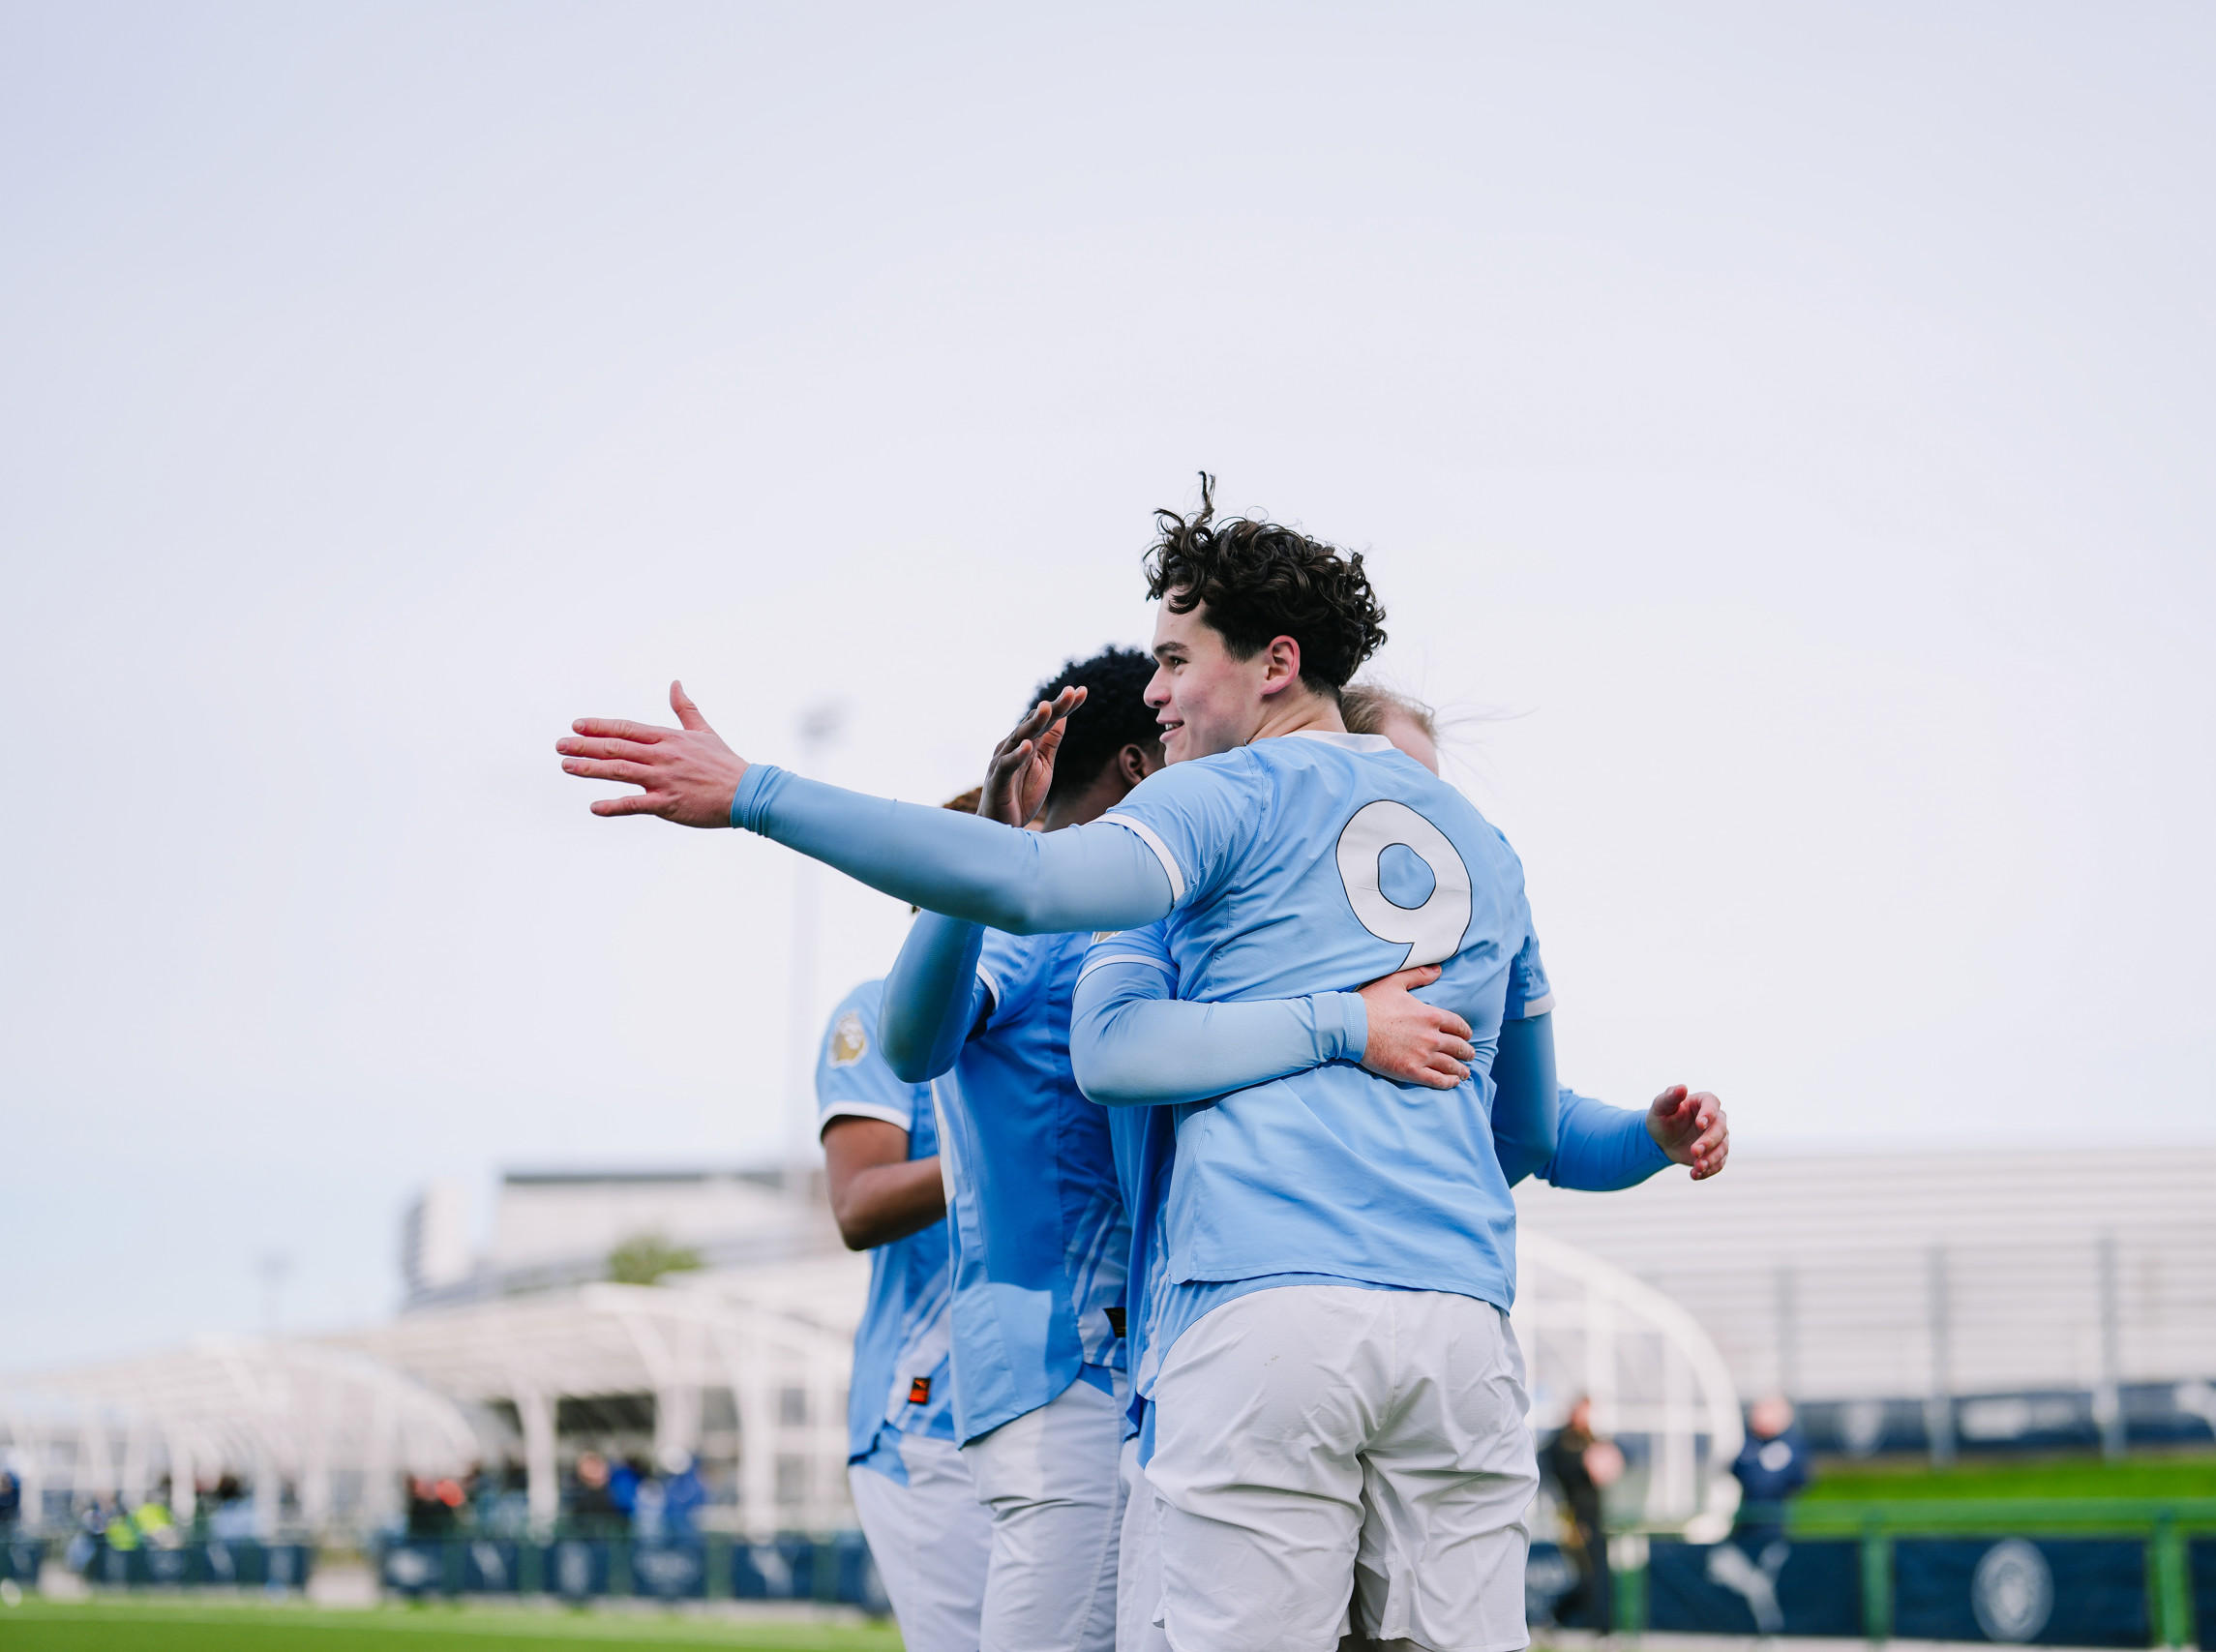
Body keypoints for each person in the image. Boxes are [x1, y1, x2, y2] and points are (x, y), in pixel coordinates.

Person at [554, 479, 1545, 1650]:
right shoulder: (1485, 848)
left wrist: (758, 794)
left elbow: (1074, 975)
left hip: (1245, 1317)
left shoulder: (1216, 805)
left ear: (1275, 664)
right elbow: (1527, 1130)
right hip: (1448, 1323)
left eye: (1174, 660)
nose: (1159, 691)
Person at [1074, 679, 1728, 1651]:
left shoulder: (1445, 913)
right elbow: (1112, 1055)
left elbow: (1528, 1122)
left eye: (1426, 793)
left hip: (1334, 1328)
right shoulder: (1207, 895)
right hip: (1275, 1322)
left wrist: (1647, 1137)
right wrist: (1340, 1025)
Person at [874, 646, 1165, 1652]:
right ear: (1138, 763)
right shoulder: (1038, 905)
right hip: (1064, 1370)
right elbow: (914, 1044)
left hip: (1098, 1367)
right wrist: (987, 857)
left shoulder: (1114, 913)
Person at [816, 961, 991, 1652]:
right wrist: (1007, 1151)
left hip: (1073, 1390)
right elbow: (856, 1204)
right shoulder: (876, 1009)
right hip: (925, 1413)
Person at [1540, 1397, 1624, 1633]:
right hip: (1575, 1518)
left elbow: (1615, 1462)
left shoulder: (1593, 1439)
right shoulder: (1563, 1441)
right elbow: (1555, 1469)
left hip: (1596, 1518)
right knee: (1588, 1575)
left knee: (1598, 1574)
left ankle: (1595, 1625)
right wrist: (1583, 1464)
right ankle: (1559, 1615)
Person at [1728, 1395, 1811, 1562]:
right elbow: (1740, 1471)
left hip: (1774, 1525)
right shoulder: (1749, 1443)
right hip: (1745, 1523)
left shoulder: (1790, 1444)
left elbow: (1796, 1478)